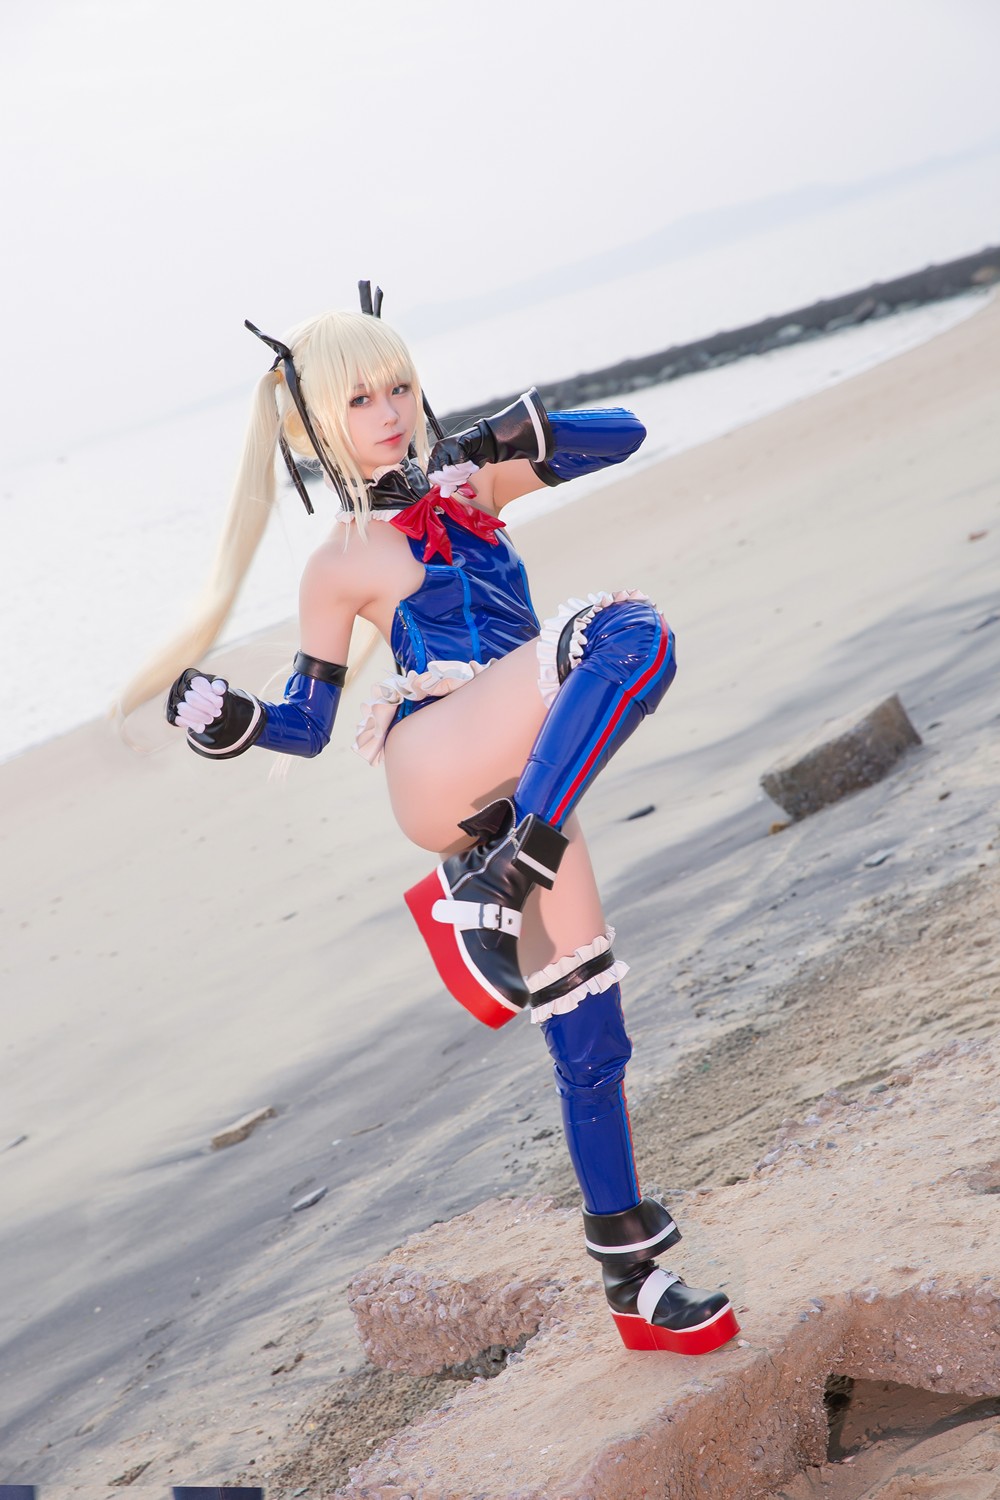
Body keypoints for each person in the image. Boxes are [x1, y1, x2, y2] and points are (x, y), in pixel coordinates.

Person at [120, 299, 738, 1357]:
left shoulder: (474, 487)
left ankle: (633, 1285)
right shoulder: (339, 560)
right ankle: (496, 877)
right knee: (628, 629)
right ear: (316, 426)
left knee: (589, 1030)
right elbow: (308, 725)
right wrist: (232, 724)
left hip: (529, 789)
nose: (390, 411)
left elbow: (627, 433)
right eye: (360, 398)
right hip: (436, 760)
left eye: (400, 386)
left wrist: (493, 442)